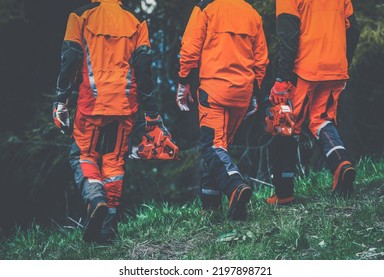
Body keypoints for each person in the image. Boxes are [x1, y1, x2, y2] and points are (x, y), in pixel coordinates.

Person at [52, 0, 169, 243]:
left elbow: (71, 57)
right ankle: (107, 230)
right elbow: (144, 68)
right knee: (114, 163)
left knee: (83, 155)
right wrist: (151, 112)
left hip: (92, 103)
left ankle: (96, 201)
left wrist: (61, 99)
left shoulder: (80, 16)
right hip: (126, 104)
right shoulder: (136, 21)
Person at [177, 0, 269, 220]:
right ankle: (211, 207)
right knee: (220, 148)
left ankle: (236, 186)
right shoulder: (252, 13)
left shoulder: (205, 8)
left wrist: (183, 82)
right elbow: (261, 60)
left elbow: (189, 50)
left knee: (212, 146)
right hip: (243, 92)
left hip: (214, 91)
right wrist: (255, 94)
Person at [266, 0, 361, 205]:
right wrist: (342, 61)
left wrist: (282, 78)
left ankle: (284, 193)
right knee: (321, 121)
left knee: (286, 125)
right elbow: (353, 30)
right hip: (335, 67)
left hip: (305, 69)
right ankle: (341, 164)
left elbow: (288, 36)